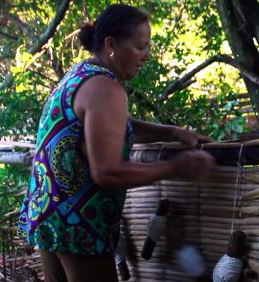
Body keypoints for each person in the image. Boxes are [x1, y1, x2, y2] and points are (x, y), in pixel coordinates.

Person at [18, 4, 215, 282]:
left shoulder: (78, 76)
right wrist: (177, 167)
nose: (146, 56)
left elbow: (114, 128)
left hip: (50, 216)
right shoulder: (105, 87)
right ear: (111, 44)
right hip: (79, 225)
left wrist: (172, 133)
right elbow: (107, 171)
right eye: (140, 46)